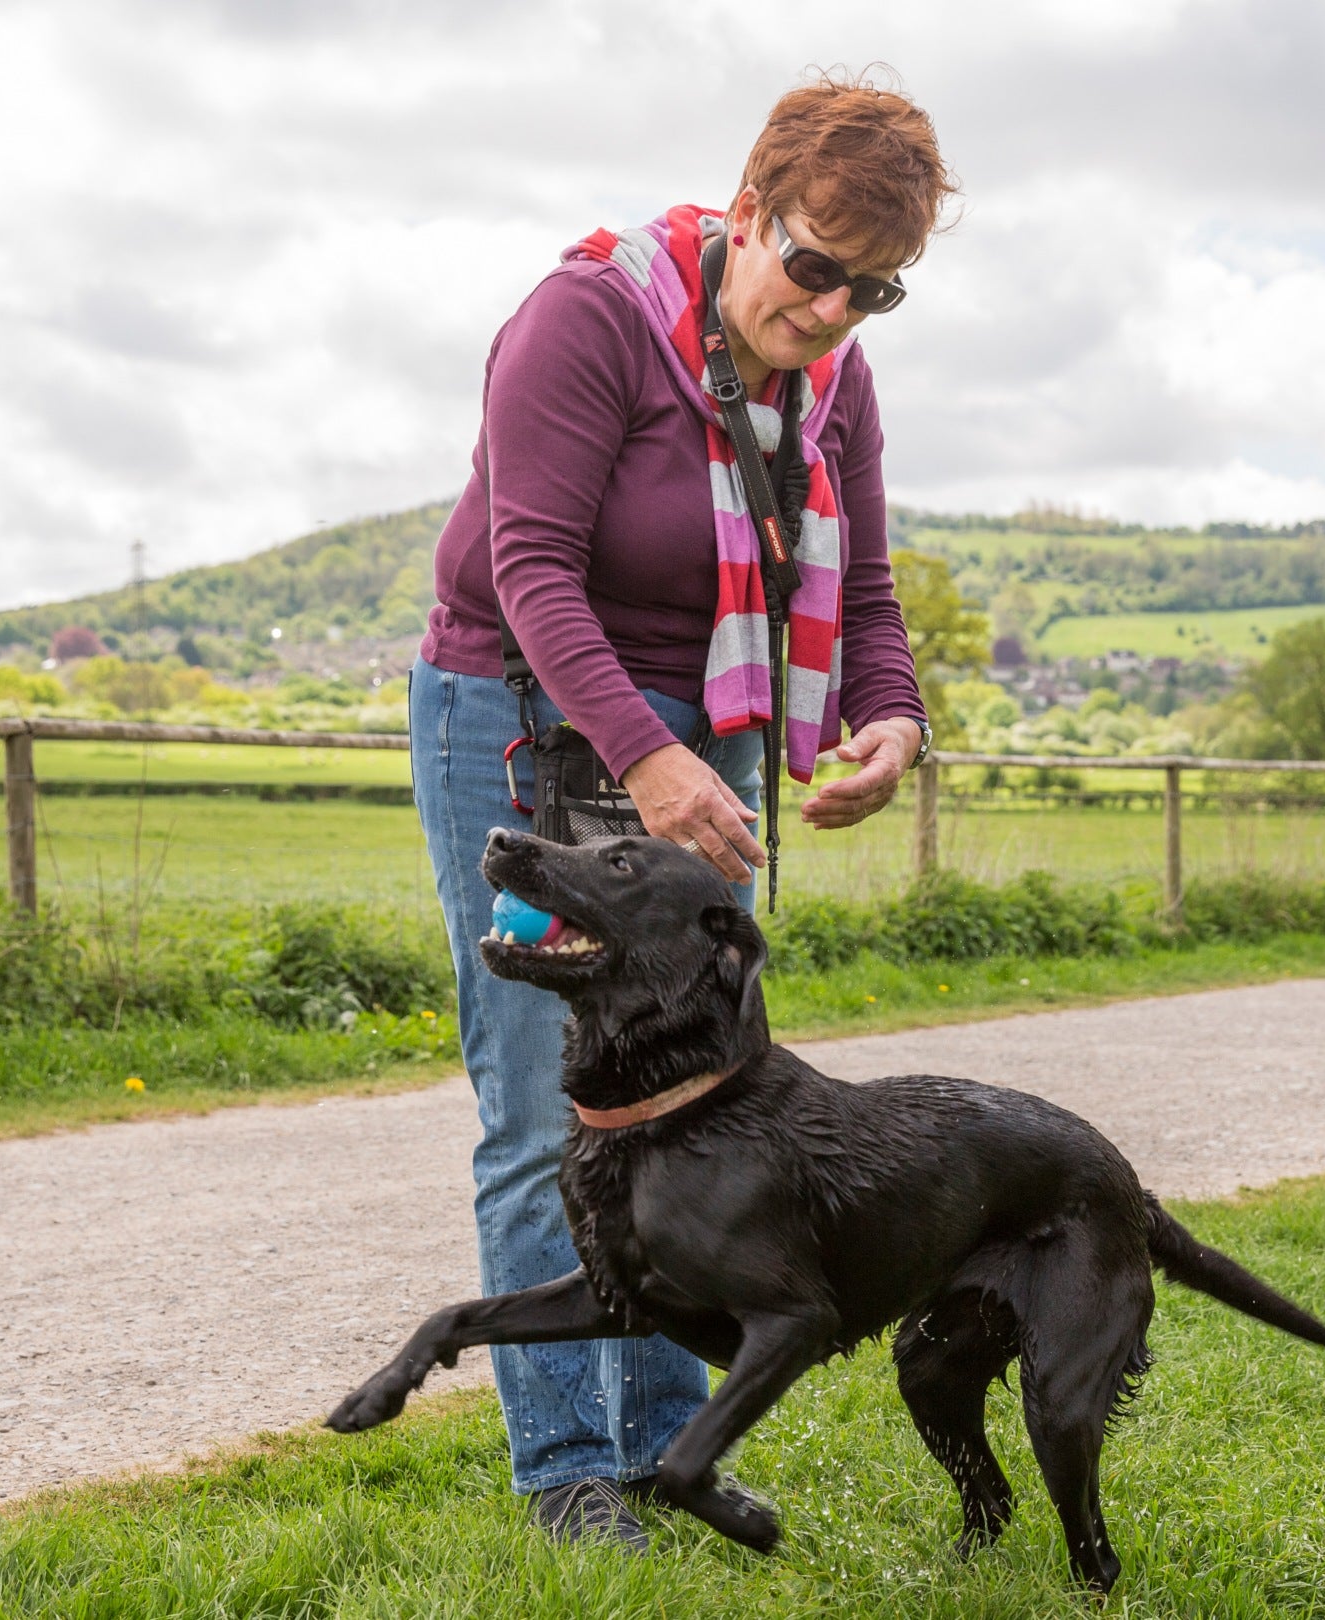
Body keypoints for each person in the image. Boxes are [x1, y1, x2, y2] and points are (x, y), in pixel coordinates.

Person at [406, 74, 954, 1549]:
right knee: (552, 1112)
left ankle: (666, 1445)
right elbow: (529, 569)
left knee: (696, 1108)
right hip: (521, 724)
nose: (835, 310)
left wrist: (889, 719)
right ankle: (569, 1471)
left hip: (706, 738)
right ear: (751, 207)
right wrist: (645, 759)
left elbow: (875, 594)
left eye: (876, 290)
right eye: (816, 265)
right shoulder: (585, 320)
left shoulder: (833, 385)